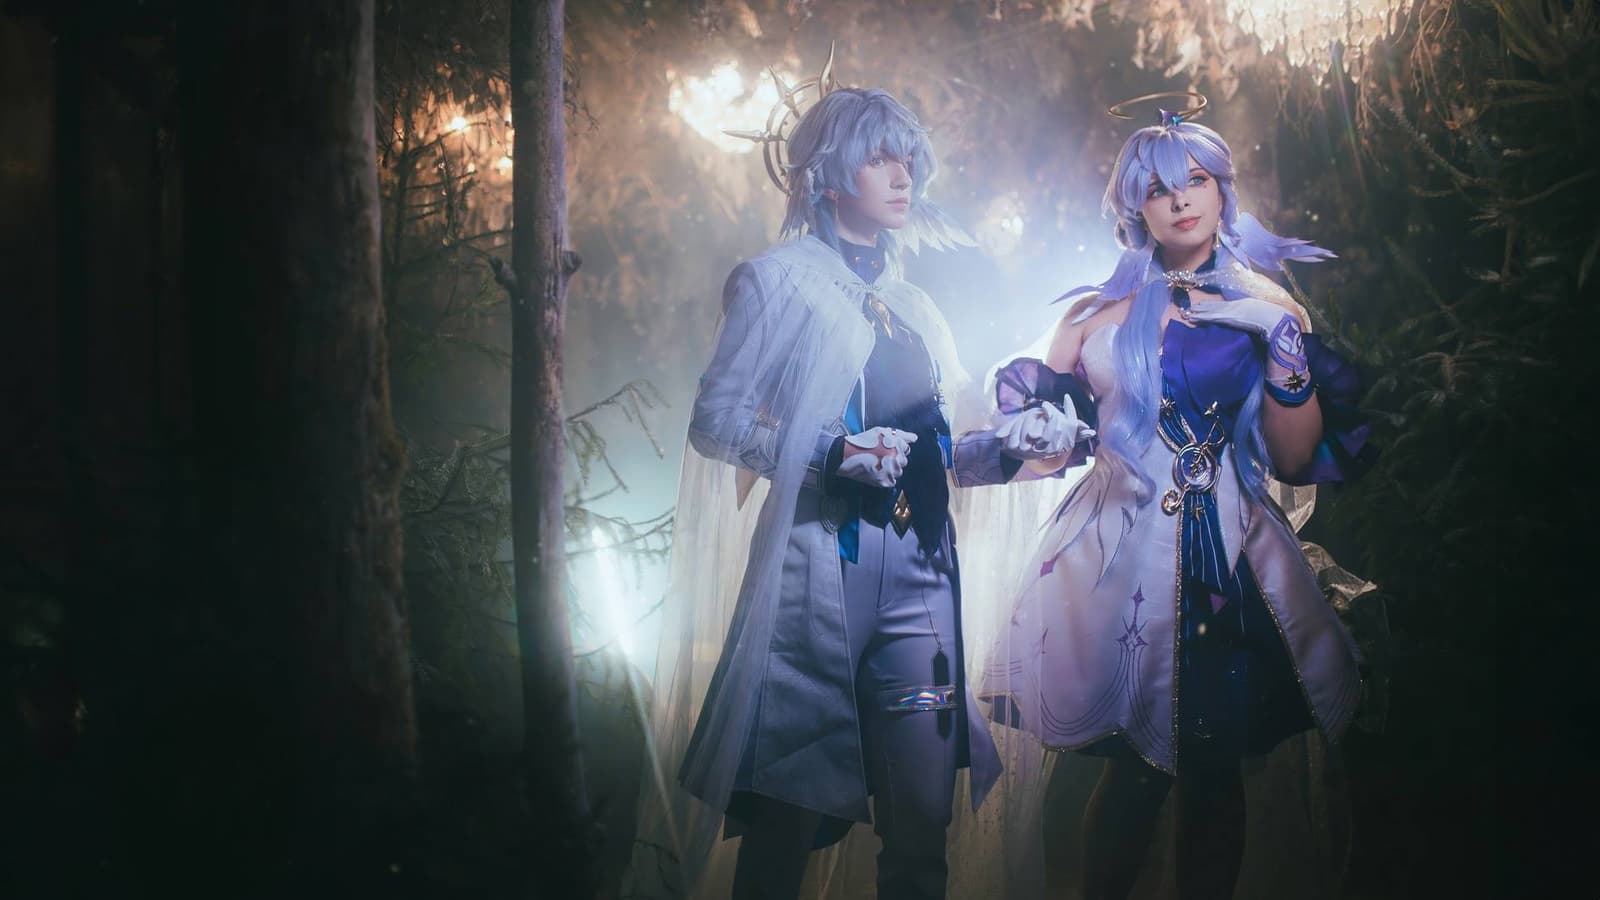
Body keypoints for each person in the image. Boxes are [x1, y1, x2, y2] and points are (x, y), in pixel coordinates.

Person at [640, 83, 1092, 900]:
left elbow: (938, 456)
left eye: (908, 160)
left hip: (920, 590)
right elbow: (715, 421)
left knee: (921, 822)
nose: (902, 176)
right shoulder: (774, 281)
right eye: (881, 158)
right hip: (817, 580)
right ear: (827, 171)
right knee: (786, 814)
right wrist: (829, 453)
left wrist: (1018, 449)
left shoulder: (915, 308)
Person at [977, 98, 1371, 900]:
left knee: (1215, 769)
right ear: (1136, 207)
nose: (1181, 199)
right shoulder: (1091, 318)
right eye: (1159, 188)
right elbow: (1048, 449)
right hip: (1113, 559)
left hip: (1229, 559)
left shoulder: (1271, 307)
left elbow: (1295, 459)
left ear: (1223, 190)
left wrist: (1284, 351)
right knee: (1133, 772)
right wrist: (1030, 430)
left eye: (1196, 180)